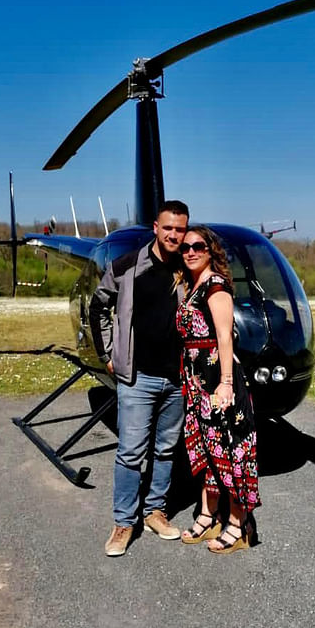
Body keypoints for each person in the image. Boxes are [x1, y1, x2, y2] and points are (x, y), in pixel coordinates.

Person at [89, 200, 190, 557]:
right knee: (130, 453)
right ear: (155, 227)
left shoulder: (188, 266)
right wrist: (107, 355)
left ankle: (155, 512)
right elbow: (98, 305)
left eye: (180, 229)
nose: (174, 235)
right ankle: (123, 522)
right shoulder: (128, 265)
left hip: (177, 379)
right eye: (168, 228)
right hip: (138, 378)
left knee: (166, 450)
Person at [176, 225, 260, 553]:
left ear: (211, 250)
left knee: (229, 449)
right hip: (197, 382)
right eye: (184, 248)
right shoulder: (190, 285)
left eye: (198, 246)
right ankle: (209, 514)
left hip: (217, 381)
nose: (191, 252)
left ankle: (240, 524)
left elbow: (225, 336)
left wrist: (226, 384)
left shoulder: (215, 284)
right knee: (209, 452)